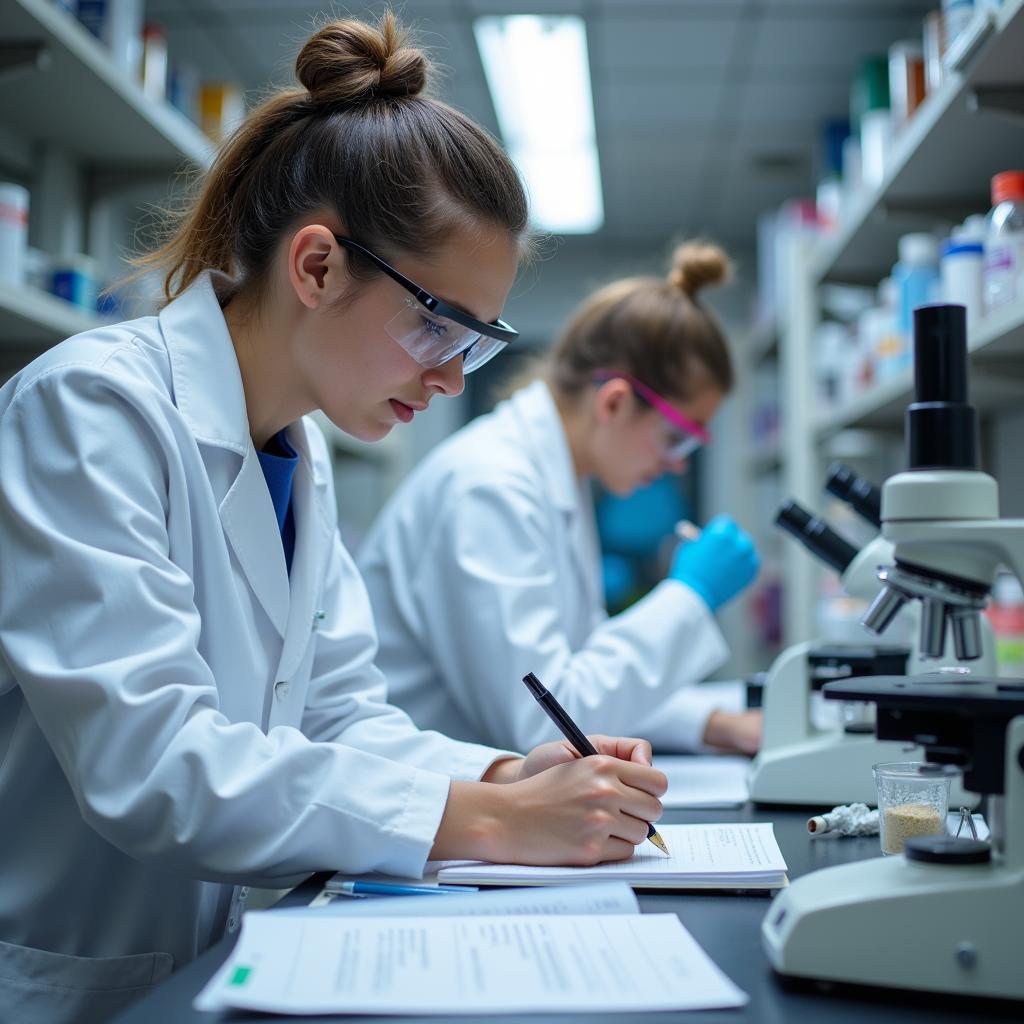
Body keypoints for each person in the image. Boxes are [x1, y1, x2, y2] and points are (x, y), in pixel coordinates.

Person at [0, 16, 665, 1023]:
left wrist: (504, 770)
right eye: (436, 324)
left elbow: (344, 716)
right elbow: (153, 762)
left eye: (475, 343)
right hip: (61, 978)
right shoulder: (90, 409)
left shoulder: (297, 449)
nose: (449, 376)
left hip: (197, 968)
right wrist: (487, 818)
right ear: (315, 267)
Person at [359, 242, 762, 757]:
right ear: (614, 402)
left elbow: (582, 671)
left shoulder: (555, 481)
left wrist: (715, 723)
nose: (677, 464)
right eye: (677, 438)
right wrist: (691, 594)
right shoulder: (490, 487)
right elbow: (549, 722)